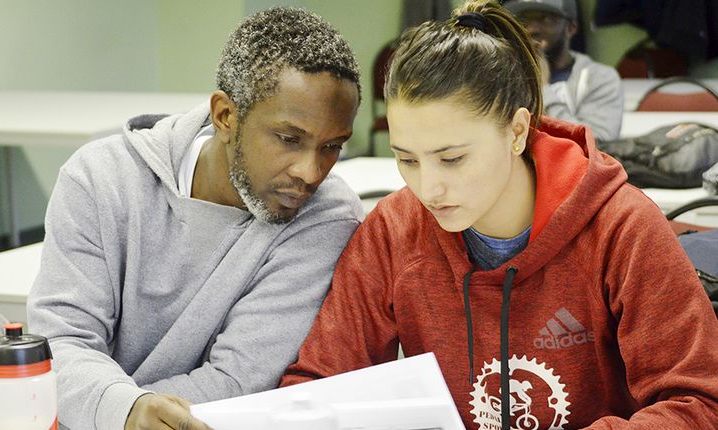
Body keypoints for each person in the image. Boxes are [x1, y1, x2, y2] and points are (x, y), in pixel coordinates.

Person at [281, 1, 718, 429]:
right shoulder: (394, 231)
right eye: (407, 160)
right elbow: (319, 383)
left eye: (451, 158)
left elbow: (699, 402)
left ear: (516, 131)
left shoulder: (621, 226)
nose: (428, 190)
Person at [27, 7, 364, 430]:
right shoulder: (99, 178)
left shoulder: (328, 216)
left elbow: (240, 381)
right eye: (289, 139)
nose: (311, 172)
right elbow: (60, 343)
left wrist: (115, 408)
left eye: (333, 146)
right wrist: (124, 410)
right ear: (225, 116)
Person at [503, 0, 624, 141]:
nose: (532, 29)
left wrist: (542, 88)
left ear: (571, 28)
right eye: (524, 19)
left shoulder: (600, 78)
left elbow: (598, 144)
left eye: (546, 19)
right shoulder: (504, 75)